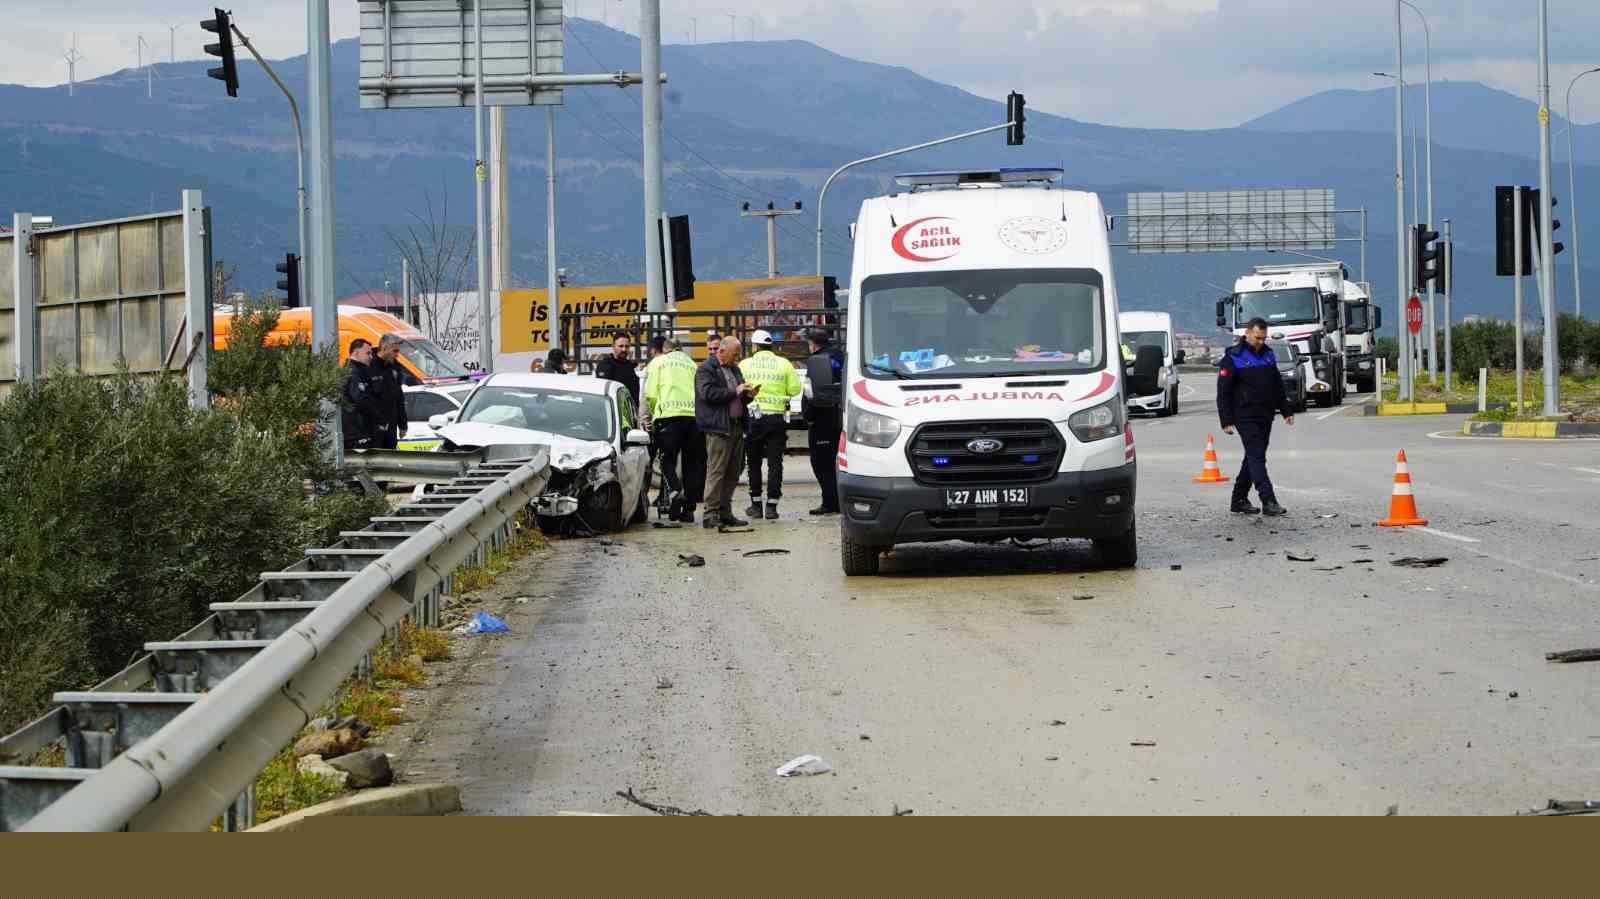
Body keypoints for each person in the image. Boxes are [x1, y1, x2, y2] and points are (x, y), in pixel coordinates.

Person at [1217, 317, 1295, 516]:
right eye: (1258, 338)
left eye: (1264, 338)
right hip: (1244, 415)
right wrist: (1226, 420)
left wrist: (1286, 410)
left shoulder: (1268, 355)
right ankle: (1268, 501)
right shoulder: (1233, 357)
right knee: (1257, 456)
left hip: (1265, 414)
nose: (1261, 341)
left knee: (1253, 458)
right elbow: (1223, 391)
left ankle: (1238, 500)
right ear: (1248, 333)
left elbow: (1277, 385)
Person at [738, 329, 803, 520]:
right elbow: (794, 389)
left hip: (753, 419)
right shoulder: (783, 363)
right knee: (775, 463)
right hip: (777, 419)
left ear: (755, 346)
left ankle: (756, 506)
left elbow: (739, 388)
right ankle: (772, 507)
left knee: (754, 463)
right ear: (771, 346)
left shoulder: (745, 364)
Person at [696, 336, 757, 530]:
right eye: (735, 354)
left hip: (737, 426)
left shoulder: (734, 369)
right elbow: (707, 394)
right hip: (719, 428)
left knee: (733, 472)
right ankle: (710, 514)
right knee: (717, 472)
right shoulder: (706, 369)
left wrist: (748, 394)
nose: (737, 358)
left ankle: (725, 511)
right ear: (722, 351)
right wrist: (735, 390)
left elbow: (738, 396)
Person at [644, 337, 705, 523]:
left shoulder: (658, 362)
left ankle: (675, 491)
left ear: (665, 350)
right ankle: (689, 510)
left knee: (667, 460)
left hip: (668, 417)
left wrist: (655, 413)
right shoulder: (692, 364)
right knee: (691, 464)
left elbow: (651, 393)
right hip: (692, 418)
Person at [801, 327, 845, 514]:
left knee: (822, 463)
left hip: (823, 419)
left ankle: (830, 502)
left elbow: (812, 392)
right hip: (837, 415)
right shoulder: (838, 357)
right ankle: (836, 500)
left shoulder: (818, 360)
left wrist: (809, 415)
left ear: (813, 344)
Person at [340, 338, 383, 451]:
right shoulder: (353, 371)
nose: (371, 357)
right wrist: (379, 417)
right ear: (356, 353)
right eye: (368, 353)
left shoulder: (359, 370)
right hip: (356, 432)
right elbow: (360, 399)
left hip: (359, 430)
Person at [370, 333, 411, 450]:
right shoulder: (370, 365)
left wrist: (402, 424)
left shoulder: (395, 367)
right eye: (395, 351)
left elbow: (399, 398)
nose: (397, 355)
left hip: (391, 424)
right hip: (374, 425)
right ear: (384, 348)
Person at [594, 334, 641, 410]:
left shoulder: (630, 366)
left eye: (627, 346)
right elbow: (602, 393)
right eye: (621, 346)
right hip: (613, 412)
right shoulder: (605, 365)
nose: (624, 349)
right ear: (613, 346)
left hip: (631, 412)